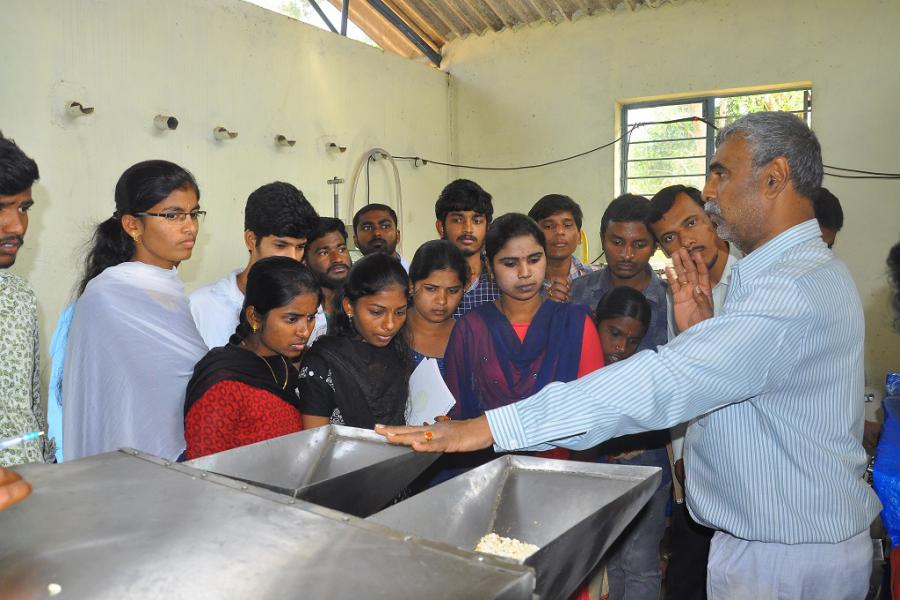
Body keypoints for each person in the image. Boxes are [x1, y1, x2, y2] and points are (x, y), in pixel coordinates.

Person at [379, 111, 881, 599]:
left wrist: (484, 428)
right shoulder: (786, 276)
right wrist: (702, 336)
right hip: (772, 547)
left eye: (722, 173)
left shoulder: (790, 289)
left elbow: (660, 382)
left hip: (783, 562)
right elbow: (736, 389)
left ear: (774, 179)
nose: (710, 191)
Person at [63, 160, 208, 461]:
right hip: (135, 459)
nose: (190, 226)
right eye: (173, 215)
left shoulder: (171, 288)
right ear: (132, 225)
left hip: (187, 452)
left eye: (194, 214)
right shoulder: (108, 296)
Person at [647, 183, 742, 598]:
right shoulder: (678, 293)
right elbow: (681, 379)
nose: (684, 241)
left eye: (691, 223)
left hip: (749, 470)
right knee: (688, 580)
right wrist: (683, 454)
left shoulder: (751, 281)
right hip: (699, 469)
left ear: (713, 219)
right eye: (669, 237)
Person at [444, 212, 604, 425]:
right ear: (490, 268)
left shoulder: (575, 323)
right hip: (486, 456)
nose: (525, 272)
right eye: (510, 263)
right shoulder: (471, 329)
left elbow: (594, 410)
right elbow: (457, 413)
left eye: (534, 259)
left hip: (561, 457)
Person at [184, 257, 320, 459]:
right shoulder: (224, 384)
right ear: (255, 317)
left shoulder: (284, 365)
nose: (305, 330)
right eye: (292, 319)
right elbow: (203, 469)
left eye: (310, 317)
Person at [592, 286, 670, 600]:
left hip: (645, 473)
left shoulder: (644, 372)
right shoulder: (580, 366)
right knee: (610, 564)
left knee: (638, 562)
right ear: (596, 321)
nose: (622, 347)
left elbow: (660, 426)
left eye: (633, 340)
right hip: (598, 476)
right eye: (614, 333)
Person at [190, 182, 318, 349]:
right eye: (281, 245)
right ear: (251, 240)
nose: (293, 258)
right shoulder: (202, 306)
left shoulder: (310, 307)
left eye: (300, 247)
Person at [298, 253, 410, 429]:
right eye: (376, 312)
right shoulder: (322, 362)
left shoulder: (398, 351)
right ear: (349, 306)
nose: (390, 325)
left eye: (400, 312)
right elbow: (315, 442)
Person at [0, 132, 49, 466]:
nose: (17, 226)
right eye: (1, 207)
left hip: (28, 492)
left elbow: (29, 408)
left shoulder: (19, 297)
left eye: (23, 207)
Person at [571, 194, 668, 352]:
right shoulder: (576, 293)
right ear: (603, 240)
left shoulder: (671, 302)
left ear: (654, 247)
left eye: (639, 244)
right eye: (617, 242)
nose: (627, 254)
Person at [434, 179, 500, 319]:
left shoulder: (501, 281)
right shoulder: (425, 281)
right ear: (441, 227)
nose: (468, 229)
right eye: (458, 220)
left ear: (487, 228)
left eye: (477, 221)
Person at [404, 240, 467, 374]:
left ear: (464, 289)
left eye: (452, 291)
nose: (442, 301)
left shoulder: (468, 339)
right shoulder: (391, 331)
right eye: (431, 289)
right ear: (411, 285)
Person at [528, 193, 596, 303]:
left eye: (567, 225)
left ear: (579, 237)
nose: (559, 232)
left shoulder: (596, 278)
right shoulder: (523, 283)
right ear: (533, 236)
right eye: (549, 226)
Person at [303, 217, 352, 343]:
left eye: (342, 249)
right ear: (305, 262)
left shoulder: (362, 301)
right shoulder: (298, 310)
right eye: (324, 252)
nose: (337, 259)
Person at [352, 203, 409, 270]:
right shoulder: (349, 278)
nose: (377, 233)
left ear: (397, 235)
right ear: (355, 240)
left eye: (385, 226)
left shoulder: (416, 277)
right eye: (367, 228)